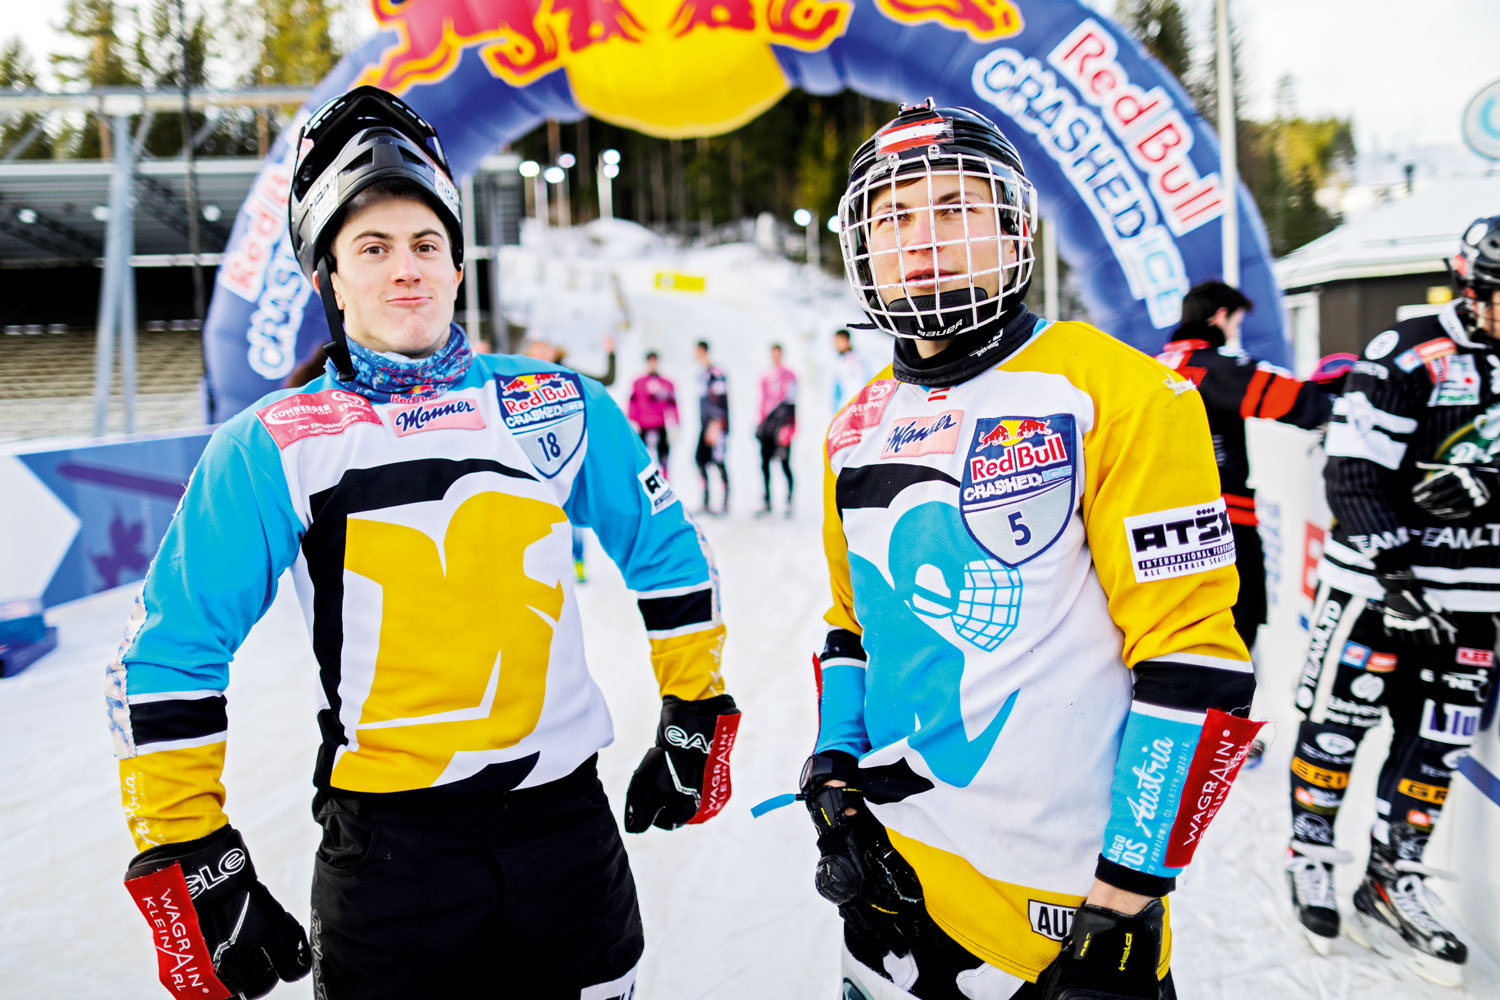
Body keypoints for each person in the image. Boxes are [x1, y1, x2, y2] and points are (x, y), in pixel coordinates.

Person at [108, 85, 740, 1000]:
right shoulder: (271, 444)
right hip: (392, 865)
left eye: (425, 243)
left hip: (566, 841)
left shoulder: (558, 404)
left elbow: (670, 552)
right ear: (328, 279)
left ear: (454, 264)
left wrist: (696, 706)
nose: (405, 268)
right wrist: (188, 846)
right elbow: (169, 649)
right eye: (372, 247)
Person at [801, 99, 1259, 1000]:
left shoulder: (1121, 391)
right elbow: (851, 625)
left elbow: (1196, 662)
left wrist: (1127, 895)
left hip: (1061, 905)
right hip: (895, 877)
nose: (921, 238)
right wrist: (834, 762)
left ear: (1014, 232)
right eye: (892, 217)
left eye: (954, 207)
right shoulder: (855, 424)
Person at [1283, 215, 1500, 985]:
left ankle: (1392, 880)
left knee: (1434, 749)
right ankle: (1310, 856)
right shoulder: (1407, 352)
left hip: (1476, 600)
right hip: (1376, 585)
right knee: (1338, 726)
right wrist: (1396, 571)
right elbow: (1350, 473)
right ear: (1470, 288)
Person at [1156, 281, 1333, 655]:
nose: (1235, 332)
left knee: (1172, 637)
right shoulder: (1219, 366)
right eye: (1236, 323)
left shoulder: (1149, 365)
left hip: (1153, 524)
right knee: (1233, 635)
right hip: (1220, 522)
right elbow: (1300, 403)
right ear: (1219, 317)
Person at [523, 334, 618, 581]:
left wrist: (610, 353)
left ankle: (578, 561)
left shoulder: (567, 376)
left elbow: (607, 380)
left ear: (555, 351)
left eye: (545, 348)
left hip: (568, 457)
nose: (540, 353)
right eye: (536, 348)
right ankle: (542, 567)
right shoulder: (519, 378)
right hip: (533, 460)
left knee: (570, 513)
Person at [755, 343, 797, 517]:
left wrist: (789, 427)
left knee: (785, 464)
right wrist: (760, 424)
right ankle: (767, 501)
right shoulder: (765, 376)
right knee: (764, 464)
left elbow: (792, 402)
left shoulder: (790, 375)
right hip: (768, 425)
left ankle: (789, 501)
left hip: (782, 425)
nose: (775, 357)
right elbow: (762, 401)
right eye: (773, 354)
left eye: (778, 354)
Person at [627, 350, 679, 476]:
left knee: (664, 459)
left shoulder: (667, 384)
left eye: (654, 361)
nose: (652, 364)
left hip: (660, 426)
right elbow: (632, 403)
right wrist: (632, 421)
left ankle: (665, 482)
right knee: (642, 459)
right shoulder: (638, 383)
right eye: (650, 361)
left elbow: (672, 405)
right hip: (643, 426)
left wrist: (675, 424)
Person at [694, 339, 730, 514]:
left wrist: (716, 423)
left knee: (719, 461)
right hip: (705, 425)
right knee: (700, 460)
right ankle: (706, 501)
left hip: (716, 426)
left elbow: (720, 400)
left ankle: (725, 501)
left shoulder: (716, 373)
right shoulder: (702, 374)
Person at [832, 326, 872, 409]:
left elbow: (856, 385)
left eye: (838, 341)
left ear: (845, 340)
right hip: (847, 405)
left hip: (852, 405)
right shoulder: (841, 360)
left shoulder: (853, 361)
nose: (836, 345)